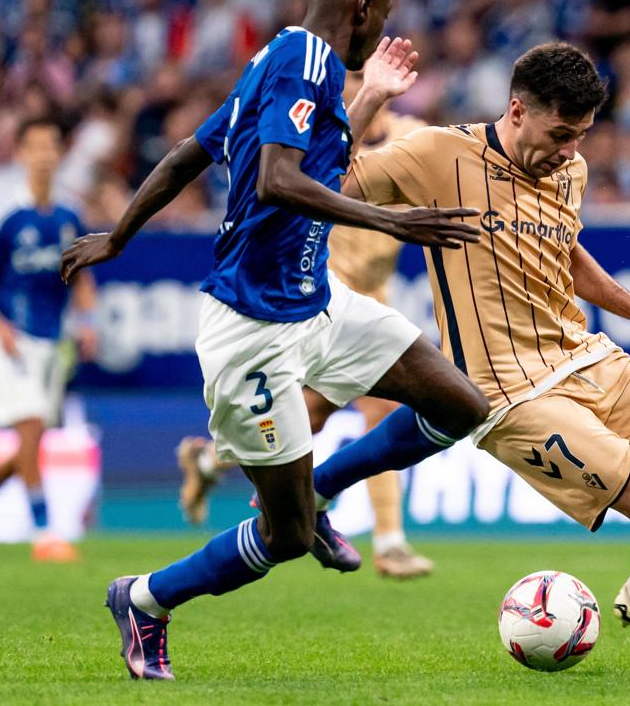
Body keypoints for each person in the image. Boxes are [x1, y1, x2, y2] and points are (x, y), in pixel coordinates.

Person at [59, 0, 489, 681]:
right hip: (253, 336)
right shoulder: (303, 61)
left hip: (317, 306)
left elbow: (188, 157)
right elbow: (276, 179)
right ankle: (146, 598)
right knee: (284, 538)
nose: (379, 26)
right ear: (359, 7)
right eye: (379, 13)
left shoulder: (279, 61)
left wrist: (119, 237)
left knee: (459, 403)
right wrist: (391, 222)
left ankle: (323, 487)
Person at [306, 42, 630, 672]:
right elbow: (323, 182)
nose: (570, 150)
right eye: (561, 133)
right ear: (517, 109)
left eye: (581, 135)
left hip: (584, 356)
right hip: (507, 392)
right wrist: (368, 96)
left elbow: (564, 247)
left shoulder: (570, 169)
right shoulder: (438, 153)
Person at [176, 72, 436, 579]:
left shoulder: (414, 136)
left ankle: (207, 465)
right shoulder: (325, 136)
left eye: (363, 76)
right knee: (311, 418)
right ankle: (388, 540)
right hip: (319, 293)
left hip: (373, 294)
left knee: (325, 416)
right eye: (349, 79)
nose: (355, 86)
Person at [0, 117, 97, 563]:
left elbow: (83, 278)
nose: (45, 155)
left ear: (60, 153)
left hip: (52, 338)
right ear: (21, 154)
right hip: (7, 334)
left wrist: (87, 321)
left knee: (31, 443)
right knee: (30, 426)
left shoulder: (70, 215)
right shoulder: (2, 211)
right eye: (36, 147)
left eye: (52, 146)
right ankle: (45, 532)